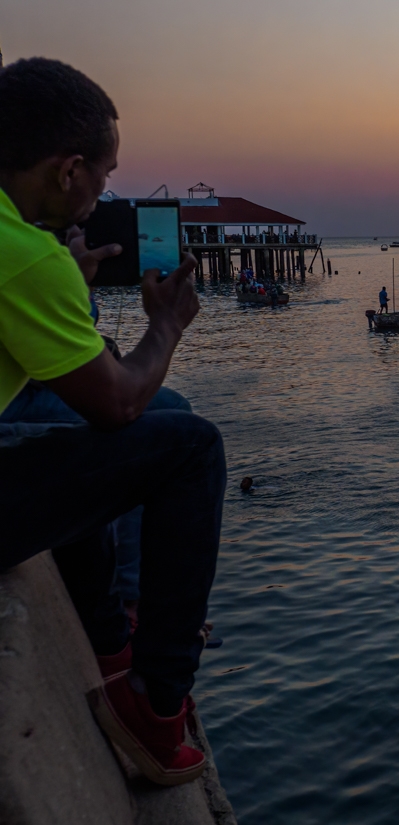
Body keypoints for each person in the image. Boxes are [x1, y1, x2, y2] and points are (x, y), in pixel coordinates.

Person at [0, 58, 224, 786]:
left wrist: (75, 287)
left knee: (124, 434)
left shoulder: (24, 243)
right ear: (67, 170)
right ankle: (155, 708)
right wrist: (166, 327)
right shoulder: (25, 254)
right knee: (189, 446)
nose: (104, 194)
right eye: (102, 175)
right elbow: (116, 402)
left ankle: (111, 636)